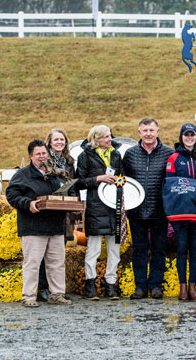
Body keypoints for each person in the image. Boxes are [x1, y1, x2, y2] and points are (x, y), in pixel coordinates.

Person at [6, 139, 72, 307]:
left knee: (56, 263)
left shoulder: (55, 174)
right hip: (33, 228)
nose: (42, 156)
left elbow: (63, 193)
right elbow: (12, 195)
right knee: (33, 264)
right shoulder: (22, 175)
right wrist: (28, 203)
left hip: (55, 227)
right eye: (38, 154)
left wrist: (71, 205)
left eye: (44, 153)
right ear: (31, 156)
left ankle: (57, 294)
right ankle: (28, 297)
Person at [122, 118, 174, 300]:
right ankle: (140, 286)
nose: (148, 134)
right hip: (136, 211)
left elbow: (172, 181)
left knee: (159, 248)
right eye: (145, 130)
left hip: (159, 210)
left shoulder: (169, 153)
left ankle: (156, 285)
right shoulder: (130, 154)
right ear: (139, 132)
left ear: (158, 131)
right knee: (139, 249)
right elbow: (124, 181)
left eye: (151, 130)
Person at [76, 125, 123, 301]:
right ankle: (91, 285)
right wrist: (98, 179)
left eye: (109, 136)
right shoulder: (84, 156)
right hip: (96, 208)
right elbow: (79, 182)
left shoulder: (116, 155)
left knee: (114, 250)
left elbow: (122, 177)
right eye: (105, 137)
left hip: (114, 207)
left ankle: (111, 285)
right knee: (93, 249)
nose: (109, 139)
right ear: (95, 140)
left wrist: (120, 182)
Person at [165, 123, 196, 301]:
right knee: (182, 248)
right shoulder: (174, 158)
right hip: (180, 210)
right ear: (181, 137)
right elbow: (170, 182)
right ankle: (182, 287)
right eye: (186, 135)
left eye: (192, 135)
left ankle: (193, 286)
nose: (189, 138)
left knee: (195, 248)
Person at [35, 128, 77, 302]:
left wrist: (74, 201)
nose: (60, 142)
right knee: (44, 253)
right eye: (56, 140)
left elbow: (73, 184)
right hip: (49, 209)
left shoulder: (69, 161)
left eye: (62, 140)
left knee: (58, 254)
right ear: (49, 142)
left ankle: (56, 290)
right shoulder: (44, 159)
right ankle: (43, 287)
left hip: (65, 211)